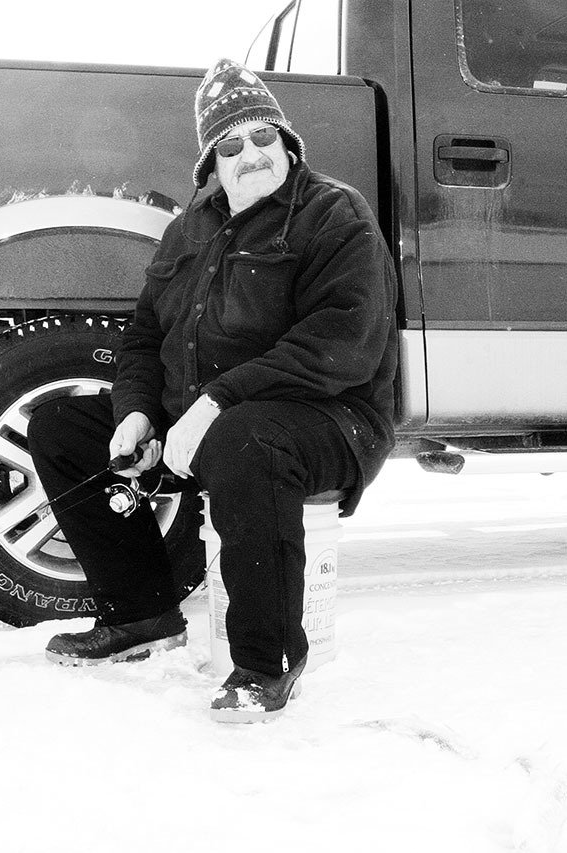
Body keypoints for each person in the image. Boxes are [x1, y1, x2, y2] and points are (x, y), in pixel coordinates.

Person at [28, 58, 398, 723]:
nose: (249, 153)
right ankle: (142, 613)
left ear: (287, 145)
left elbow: (342, 341)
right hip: (211, 422)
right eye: (230, 144)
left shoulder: (334, 213)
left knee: (244, 437)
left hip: (330, 420)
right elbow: (144, 334)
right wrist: (136, 413)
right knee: (60, 426)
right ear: (212, 164)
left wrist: (216, 401)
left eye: (262, 138)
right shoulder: (187, 230)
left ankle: (266, 660)